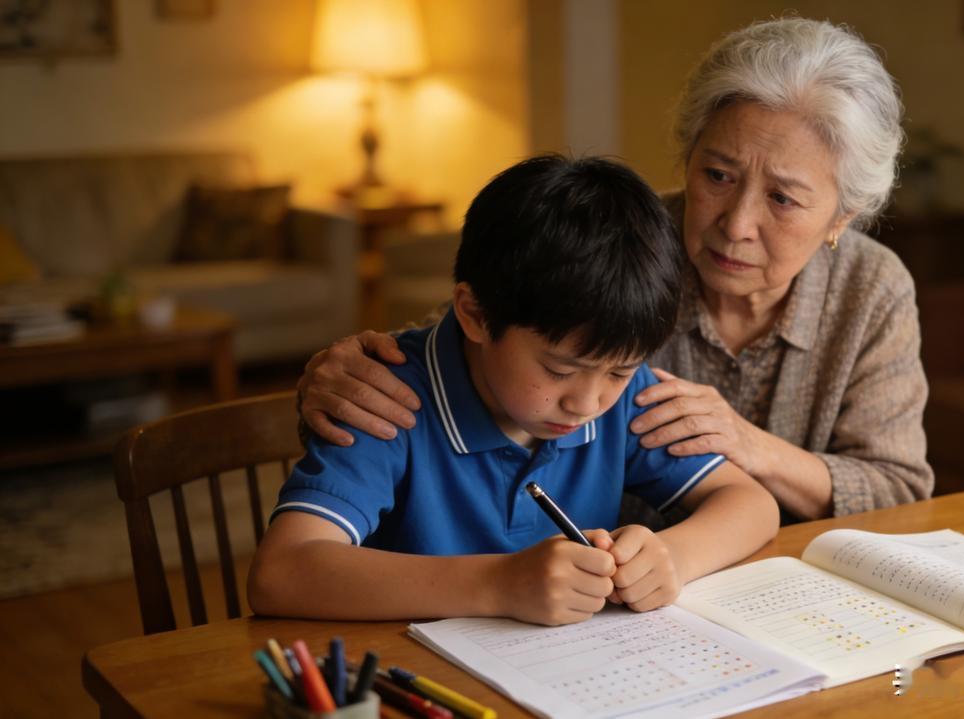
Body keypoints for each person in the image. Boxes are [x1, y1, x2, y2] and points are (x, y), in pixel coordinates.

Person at [294, 17, 931, 523]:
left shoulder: (871, 290)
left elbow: (901, 492)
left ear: (842, 216)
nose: (736, 223)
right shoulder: (626, 243)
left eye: (783, 199)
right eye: (717, 175)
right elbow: (481, 338)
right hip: (600, 599)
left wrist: (750, 446)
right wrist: (352, 375)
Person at [247, 156, 779, 626]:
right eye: (558, 370)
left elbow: (752, 503)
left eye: (618, 373)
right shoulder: (385, 396)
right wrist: (499, 584)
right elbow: (282, 571)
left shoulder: (622, 394)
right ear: (475, 314)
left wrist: (673, 556)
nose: (588, 403)